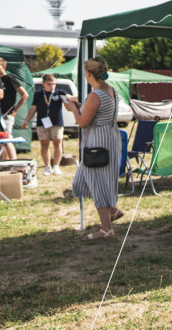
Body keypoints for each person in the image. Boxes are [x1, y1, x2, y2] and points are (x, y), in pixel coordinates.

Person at [65, 58, 122, 240]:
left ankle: (106, 228)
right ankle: (111, 210)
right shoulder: (110, 90)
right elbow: (98, 112)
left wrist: (72, 108)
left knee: (97, 181)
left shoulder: (95, 94)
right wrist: (81, 107)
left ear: (88, 73)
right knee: (91, 178)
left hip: (98, 141)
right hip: (110, 138)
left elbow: (82, 122)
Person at [23, 74, 68, 175]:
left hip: (57, 122)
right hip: (42, 123)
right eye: (49, 84)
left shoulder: (59, 92)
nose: (52, 86)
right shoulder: (38, 94)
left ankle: (56, 166)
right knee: (44, 144)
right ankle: (47, 166)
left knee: (57, 142)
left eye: (54, 84)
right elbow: (33, 108)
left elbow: (68, 98)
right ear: (43, 84)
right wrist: (27, 120)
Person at [0, 58, 28, 160]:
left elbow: (24, 94)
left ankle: (14, 162)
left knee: (6, 138)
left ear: (3, 66)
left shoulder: (9, 78)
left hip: (7, 114)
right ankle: (1, 163)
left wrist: (15, 110)